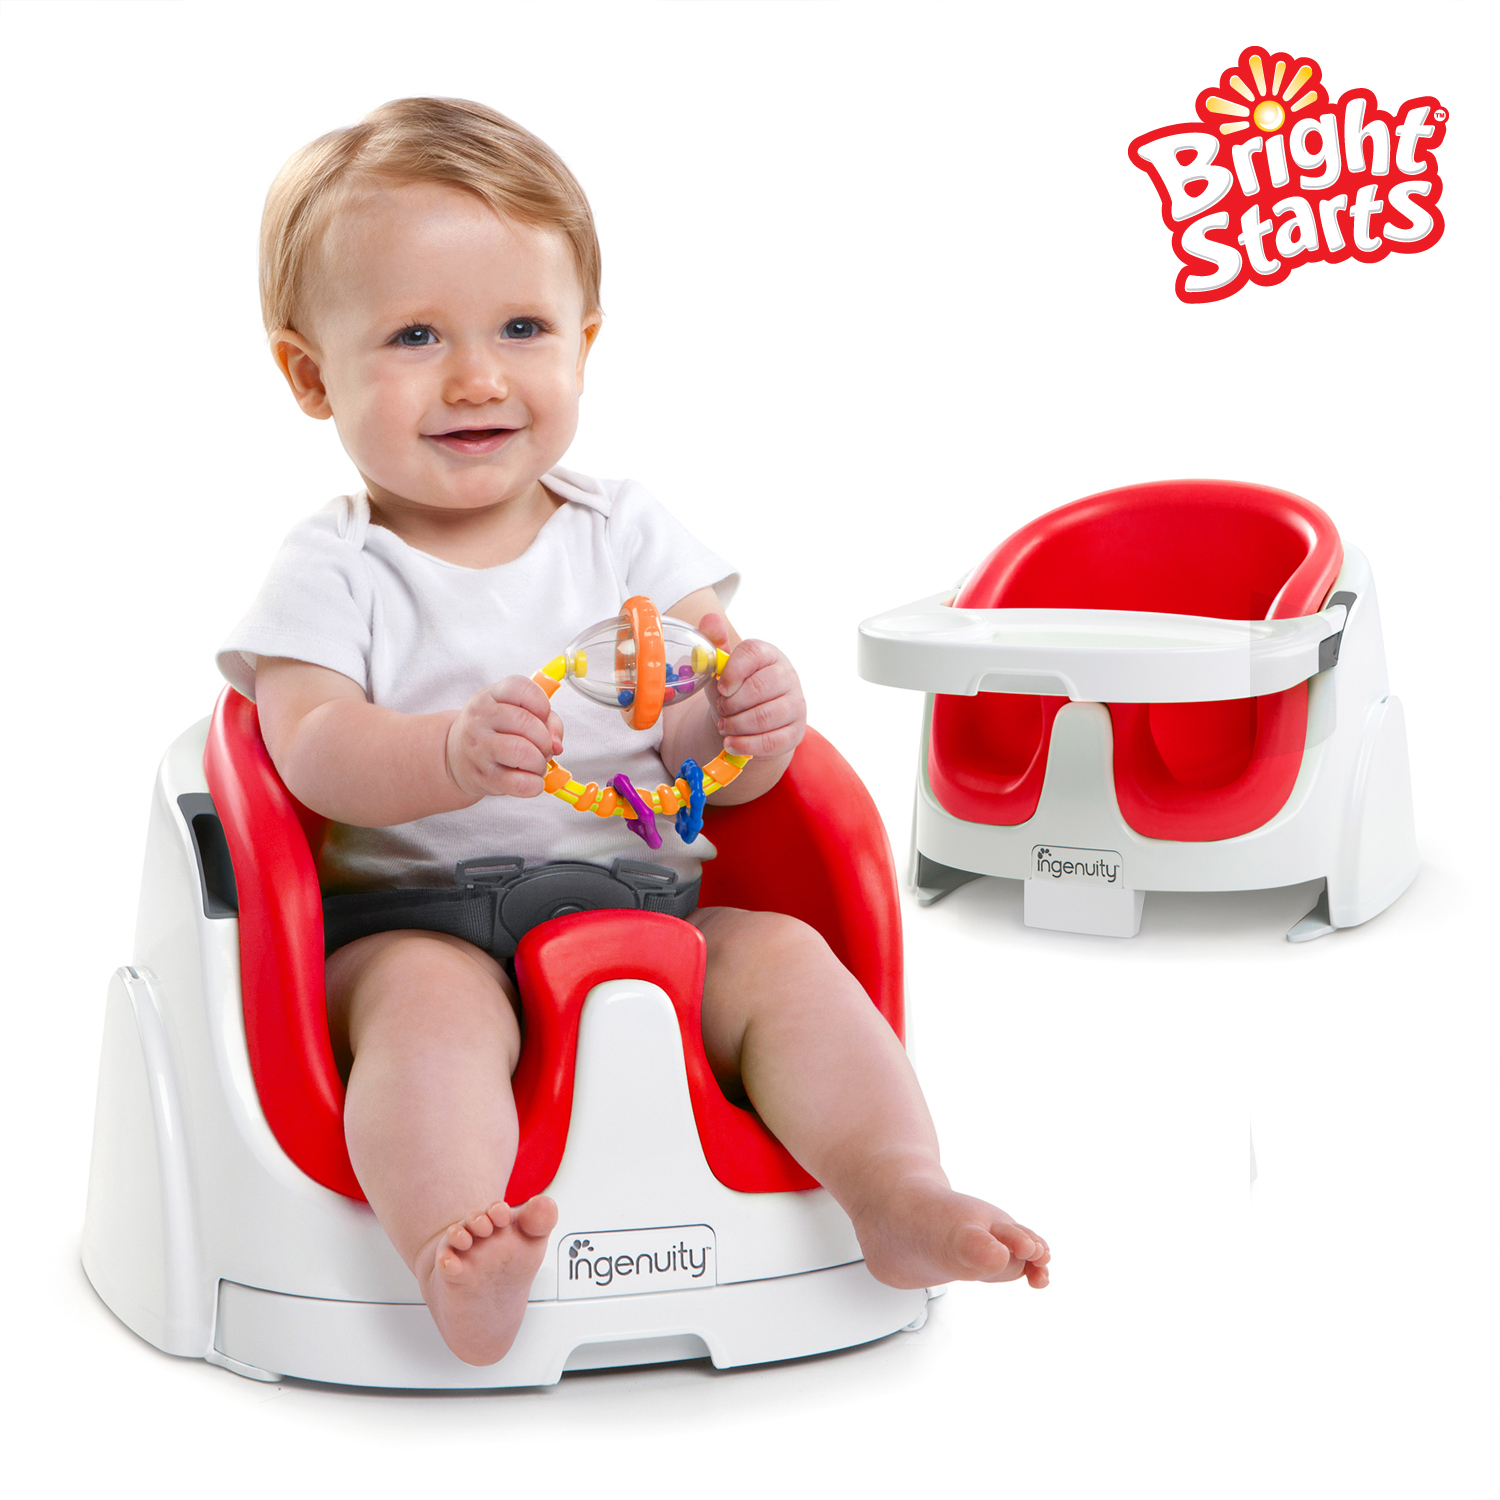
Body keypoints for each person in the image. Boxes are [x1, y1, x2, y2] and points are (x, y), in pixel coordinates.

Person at [221, 97, 1049, 1367]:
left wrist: (751, 722)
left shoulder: (629, 536)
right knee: (428, 1020)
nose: (478, 376)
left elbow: (713, 752)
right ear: (310, 375)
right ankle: (457, 1247)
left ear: (585, 344)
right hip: (418, 923)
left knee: (785, 961)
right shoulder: (335, 569)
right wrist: (443, 756)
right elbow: (307, 748)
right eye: (415, 336)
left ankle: (896, 1191)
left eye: (522, 328)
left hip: (646, 897)